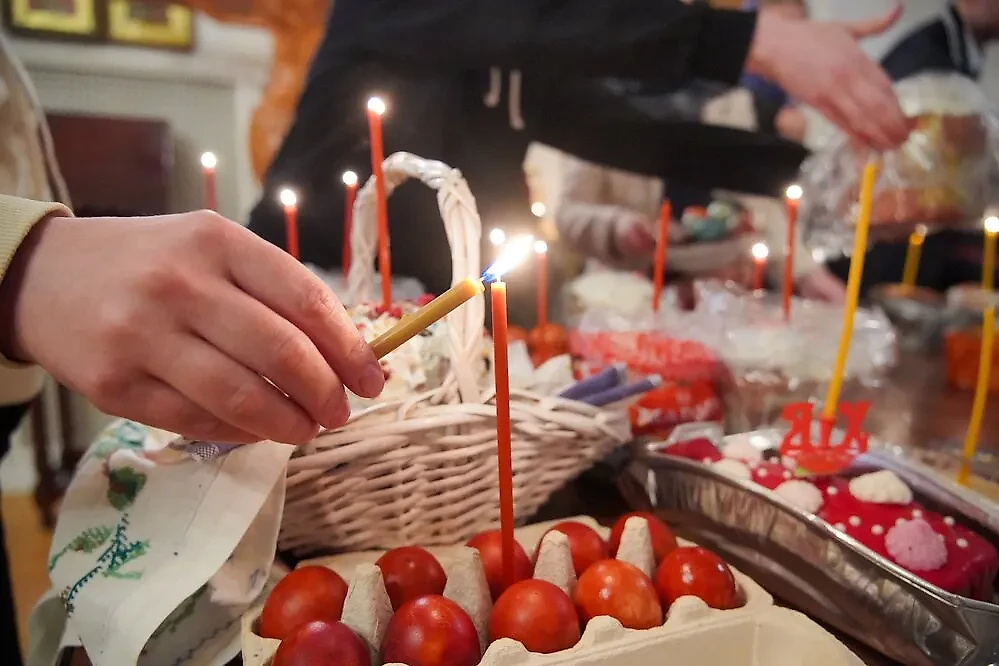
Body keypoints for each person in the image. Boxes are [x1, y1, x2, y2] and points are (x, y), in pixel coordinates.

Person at [246, 0, 910, 319]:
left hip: (446, 320)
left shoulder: (516, 51)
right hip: (308, 294)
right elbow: (536, 22)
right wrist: (750, 39)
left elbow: (632, 134)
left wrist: (825, 179)